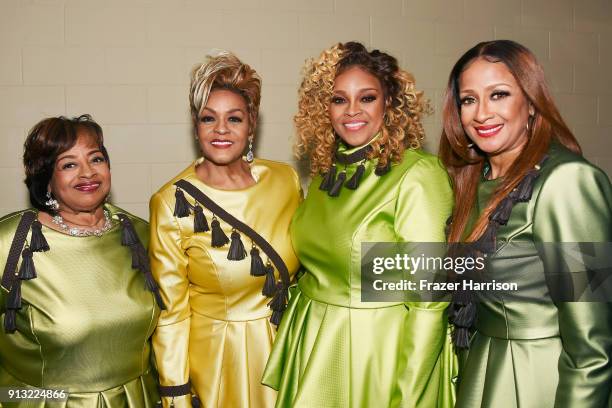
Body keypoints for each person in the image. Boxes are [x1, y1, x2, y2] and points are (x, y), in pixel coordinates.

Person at [262, 42, 456, 408]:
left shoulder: (417, 175)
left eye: (366, 98)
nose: (352, 111)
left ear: (389, 103)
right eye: (338, 100)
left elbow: (429, 300)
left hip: (378, 354)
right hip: (318, 345)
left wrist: (409, 394)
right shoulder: (325, 174)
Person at [439, 39, 612, 407]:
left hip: (539, 381)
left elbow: (593, 345)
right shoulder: (471, 181)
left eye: (498, 94)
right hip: (478, 373)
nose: (482, 113)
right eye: (469, 99)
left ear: (531, 102)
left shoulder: (567, 182)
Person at [149, 51, 301, 408]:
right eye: (208, 119)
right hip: (220, 360)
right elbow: (172, 312)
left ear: (252, 125)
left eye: (234, 119)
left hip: (289, 348)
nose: (220, 130)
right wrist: (175, 393)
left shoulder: (285, 179)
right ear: (195, 125)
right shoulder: (171, 202)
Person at [0, 115, 163, 406]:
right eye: (69, 164)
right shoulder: (11, 242)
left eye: (96, 159)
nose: (87, 173)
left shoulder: (141, 235)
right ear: (46, 179)